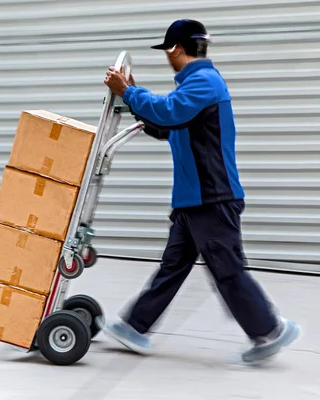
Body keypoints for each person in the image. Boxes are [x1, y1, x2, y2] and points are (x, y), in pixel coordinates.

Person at [99, 19, 300, 363]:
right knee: (173, 266)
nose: (167, 57)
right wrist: (134, 99)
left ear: (176, 49)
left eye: (167, 51)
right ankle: (134, 326)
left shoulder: (205, 82)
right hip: (193, 201)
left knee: (227, 268)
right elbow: (167, 126)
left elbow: (170, 111)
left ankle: (269, 330)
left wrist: (130, 93)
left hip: (212, 198)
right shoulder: (192, 85)